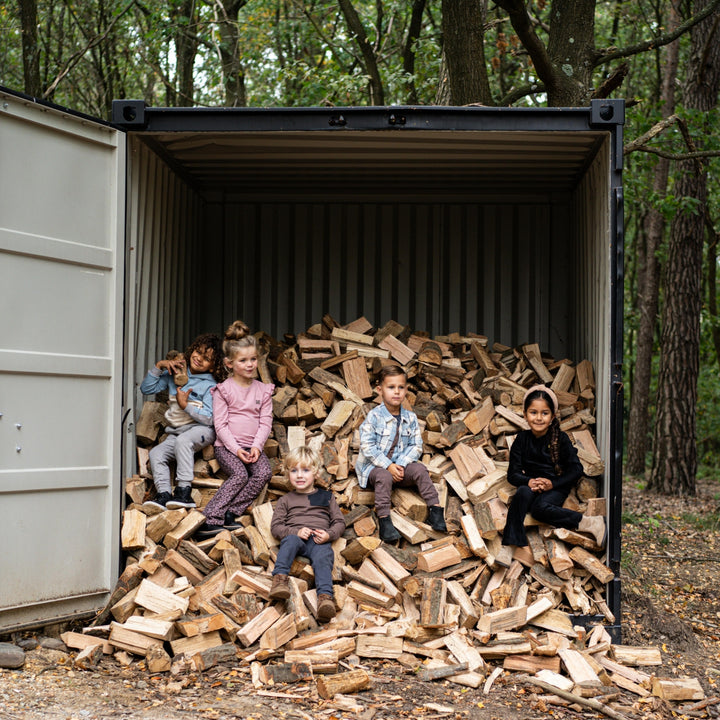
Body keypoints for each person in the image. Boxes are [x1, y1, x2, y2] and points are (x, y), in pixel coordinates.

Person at [502, 384, 606, 548]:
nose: (538, 418)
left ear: (552, 417)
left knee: (539, 509)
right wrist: (529, 481)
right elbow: (512, 474)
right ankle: (511, 543)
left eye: (545, 413)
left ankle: (589, 523)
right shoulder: (521, 440)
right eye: (533, 412)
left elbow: (576, 469)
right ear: (525, 414)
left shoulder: (560, 439)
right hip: (532, 485)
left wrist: (553, 484)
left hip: (556, 486)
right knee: (521, 492)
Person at [197, 320, 274, 538]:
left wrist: (257, 446)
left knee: (263, 473)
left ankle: (232, 512)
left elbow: (265, 422)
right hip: (228, 447)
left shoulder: (263, 390)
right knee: (239, 474)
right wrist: (235, 449)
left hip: (252, 447)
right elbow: (220, 425)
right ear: (229, 364)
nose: (250, 364)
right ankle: (211, 518)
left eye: (253, 359)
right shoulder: (224, 390)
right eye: (243, 360)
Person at [355, 364, 447, 543]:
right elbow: (368, 446)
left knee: (420, 470)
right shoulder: (373, 417)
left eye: (401, 387)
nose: (396, 392)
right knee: (383, 476)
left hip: (399, 467)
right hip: (375, 468)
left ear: (406, 390)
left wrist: (401, 465)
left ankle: (435, 511)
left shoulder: (410, 418)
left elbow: (416, 445)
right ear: (380, 390)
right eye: (391, 387)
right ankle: (384, 520)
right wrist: (388, 466)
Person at [141, 334, 224, 510]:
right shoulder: (175, 373)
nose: (199, 359)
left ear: (213, 366)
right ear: (192, 350)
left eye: (207, 358)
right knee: (156, 454)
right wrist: (159, 366)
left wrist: (185, 405)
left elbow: (210, 418)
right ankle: (163, 494)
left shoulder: (210, 386)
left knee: (183, 441)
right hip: (177, 431)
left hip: (202, 430)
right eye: (198, 352)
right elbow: (146, 388)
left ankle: (184, 492)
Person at [268, 446, 345, 622]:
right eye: (294, 471)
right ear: (288, 474)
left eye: (305, 470)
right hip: (296, 537)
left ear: (316, 473)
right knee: (290, 541)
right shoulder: (286, 500)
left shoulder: (327, 497)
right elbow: (276, 527)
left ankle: (325, 598)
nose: (300, 475)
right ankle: (279, 580)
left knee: (324, 555)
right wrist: (295, 531)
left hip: (318, 540)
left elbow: (340, 522)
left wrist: (328, 534)